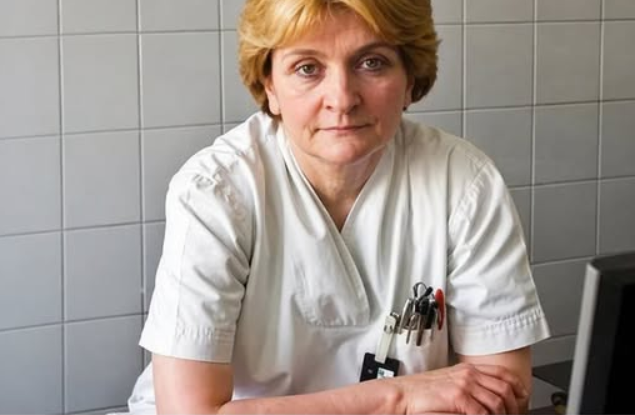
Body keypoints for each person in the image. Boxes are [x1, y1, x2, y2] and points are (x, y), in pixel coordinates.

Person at [127, 0, 551, 413]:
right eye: (307, 68)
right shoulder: (216, 192)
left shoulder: (464, 182)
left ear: (410, 78)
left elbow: (502, 393)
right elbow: (190, 411)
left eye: (372, 63)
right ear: (270, 86)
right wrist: (398, 398)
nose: (342, 98)